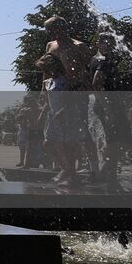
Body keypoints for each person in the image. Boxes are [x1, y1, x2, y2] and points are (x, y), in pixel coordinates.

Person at [44, 17, 97, 175]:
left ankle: (94, 168)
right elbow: (47, 69)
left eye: (50, 29)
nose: (48, 33)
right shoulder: (50, 46)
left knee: (81, 132)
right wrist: (43, 91)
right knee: (58, 134)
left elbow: (88, 71)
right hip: (56, 93)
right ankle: (68, 169)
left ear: (60, 28)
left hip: (76, 93)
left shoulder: (79, 46)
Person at [90, 32, 132, 189]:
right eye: (104, 42)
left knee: (124, 141)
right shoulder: (103, 61)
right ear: (98, 43)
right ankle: (111, 179)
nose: (107, 45)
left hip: (111, 106)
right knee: (116, 142)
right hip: (108, 106)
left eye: (110, 42)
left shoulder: (100, 59)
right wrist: (108, 110)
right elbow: (96, 83)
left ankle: (104, 171)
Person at [39, 54, 81, 184]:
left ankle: (71, 175)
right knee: (48, 143)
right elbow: (48, 101)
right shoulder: (48, 82)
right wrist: (42, 114)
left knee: (67, 145)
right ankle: (66, 169)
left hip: (66, 114)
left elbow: (72, 98)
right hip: (52, 115)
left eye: (47, 67)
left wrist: (61, 112)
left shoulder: (65, 80)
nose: (46, 71)